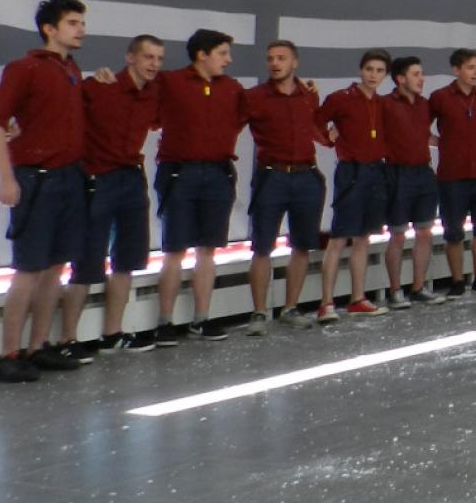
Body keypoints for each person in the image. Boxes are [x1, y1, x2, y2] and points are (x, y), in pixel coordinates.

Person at [0, 0, 89, 382]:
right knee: (28, 268)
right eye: (73, 22)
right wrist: (7, 177)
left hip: (69, 177)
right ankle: (9, 353)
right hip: (37, 179)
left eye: (82, 23)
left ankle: (37, 346)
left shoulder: (71, 69)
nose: (81, 29)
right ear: (49, 28)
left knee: (55, 267)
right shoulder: (25, 68)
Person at [152, 29, 248, 344]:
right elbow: (142, 106)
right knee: (174, 249)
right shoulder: (170, 82)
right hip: (180, 173)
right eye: (222, 53)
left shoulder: (232, 88)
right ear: (202, 55)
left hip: (218, 173)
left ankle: (201, 318)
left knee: (208, 249)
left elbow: (250, 114)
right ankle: (164, 322)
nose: (228, 60)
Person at [71, 33, 164, 355]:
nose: (154, 64)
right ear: (130, 58)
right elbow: (64, 113)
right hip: (97, 177)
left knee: (126, 259)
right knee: (86, 260)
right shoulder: (100, 87)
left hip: (131, 177)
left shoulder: (155, 92)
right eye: (148, 57)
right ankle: (67, 339)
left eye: (159, 58)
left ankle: (112, 333)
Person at [245, 41, 330, 331]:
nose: (275, 63)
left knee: (302, 245)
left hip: (306, 174)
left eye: (281, 58)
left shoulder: (308, 96)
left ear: (295, 63)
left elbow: (319, 130)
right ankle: (259, 312)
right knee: (262, 246)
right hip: (272, 175)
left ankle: (290, 307)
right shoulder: (255, 97)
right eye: (270, 58)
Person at [312, 50, 394, 319]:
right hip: (352, 171)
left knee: (363, 237)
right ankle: (326, 303)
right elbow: (316, 121)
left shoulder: (382, 103)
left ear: (385, 75)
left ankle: (357, 298)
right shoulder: (341, 98)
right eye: (369, 69)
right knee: (339, 237)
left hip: (376, 171)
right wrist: (328, 138)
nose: (373, 75)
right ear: (361, 70)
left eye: (379, 71)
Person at [431, 47, 476, 296]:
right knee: (453, 231)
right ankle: (457, 281)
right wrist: (439, 142)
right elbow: (418, 125)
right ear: (456, 70)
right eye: (470, 67)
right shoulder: (440, 97)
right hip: (452, 175)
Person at [382, 56, 445, 304]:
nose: (421, 79)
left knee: (425, 232)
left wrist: (447, 143)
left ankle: (418, 286)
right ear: (400, 78)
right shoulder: (385, 105)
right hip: (397, 173)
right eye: (416, 74)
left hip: (423, 173)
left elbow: (423, 134)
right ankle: (395, 290)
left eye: (422, 73)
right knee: (398, 234)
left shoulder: (424, 105)